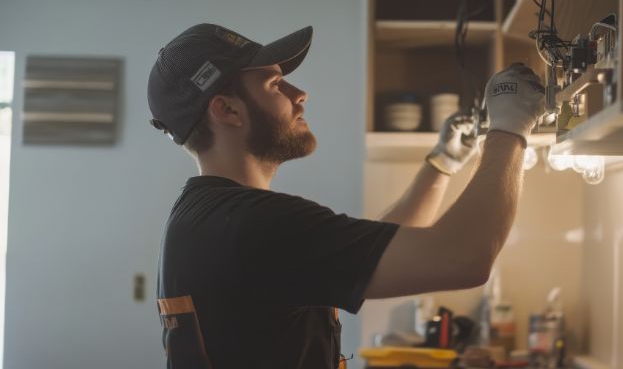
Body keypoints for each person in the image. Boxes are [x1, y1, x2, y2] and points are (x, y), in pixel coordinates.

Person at [147, 23, 545, 369]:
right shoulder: (257, 224)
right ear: (228, 110)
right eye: (275, 84)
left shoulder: (207, 216)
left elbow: (375, 249)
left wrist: (441, 164)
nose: (299, 93)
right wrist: (510, 130)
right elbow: (463, 258)